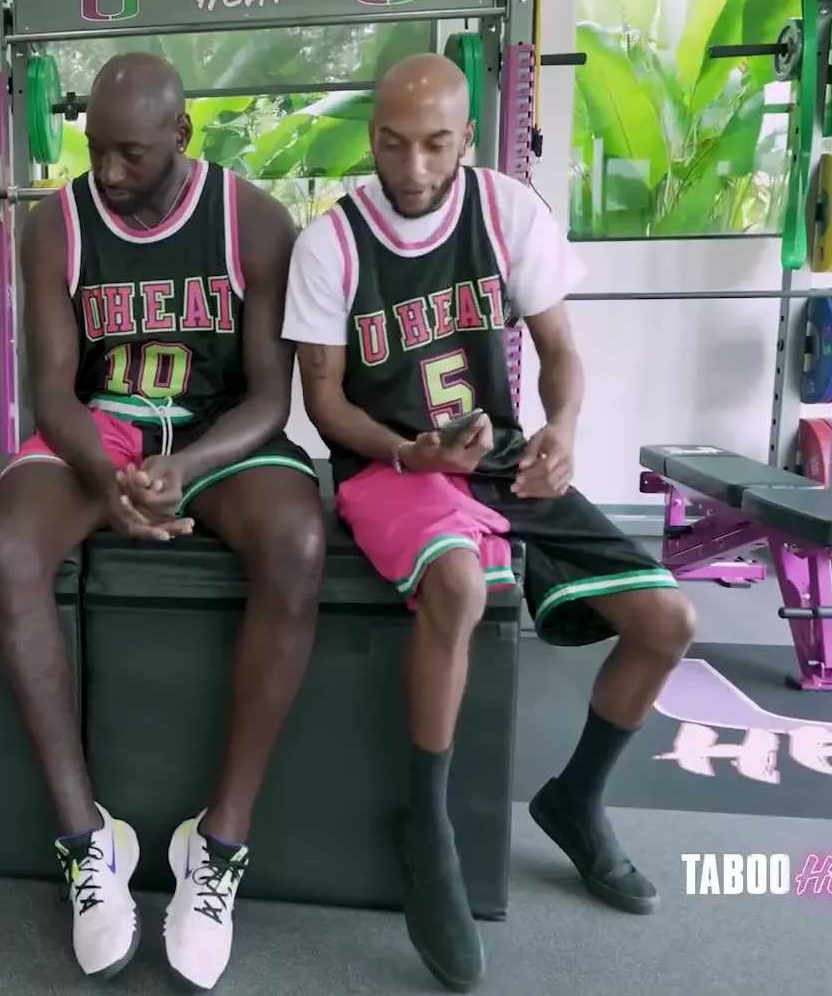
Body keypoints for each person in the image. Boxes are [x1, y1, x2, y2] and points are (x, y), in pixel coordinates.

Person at [282, 53, 698, 992]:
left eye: (436, 144)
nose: (414, 167)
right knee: (461, 585)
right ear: (371, 137)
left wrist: (563, 430)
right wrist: (408, 453)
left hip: (501, 456)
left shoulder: (507, 211)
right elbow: (324, 401)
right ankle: (427, 829)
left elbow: (559, 350)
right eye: (393, 144)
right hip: (387, 466)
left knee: (668, 621)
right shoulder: (331, 243)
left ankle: (576, 800)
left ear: (467, 137)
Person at [0, 53, 323, 991]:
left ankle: (220, 845)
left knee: (298, 544)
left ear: (181, 134)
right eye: (95, 148)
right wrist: (108, 479)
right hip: (106, 431)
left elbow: (271, 397)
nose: (108, 170)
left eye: (130, 153)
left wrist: (188, 467)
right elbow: (52, 391)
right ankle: (85, 840)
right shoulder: (57, 224)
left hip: (218, 435)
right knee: (9, 547)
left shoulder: (253, 220)